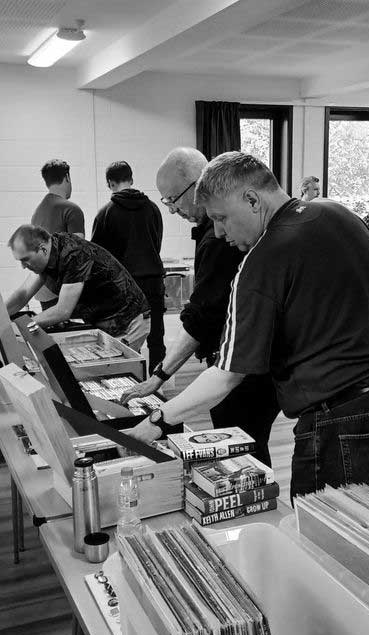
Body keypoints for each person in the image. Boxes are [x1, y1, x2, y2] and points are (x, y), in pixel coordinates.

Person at [126, 152, 369, 499]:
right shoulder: (338, 212)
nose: (219, 233)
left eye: (221, 218)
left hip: (342, 418)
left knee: (320, 543)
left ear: (252, 199)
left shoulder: (262, 260)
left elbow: (227, 375)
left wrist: (157, 420)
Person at [120, 147, 279, 467]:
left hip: (250, 369)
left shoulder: (223, 238)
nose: (171, 209)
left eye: (171, 199)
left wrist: (159, 386)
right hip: (250, 364)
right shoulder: (223, 233)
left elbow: (205, 317)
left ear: (197, 186)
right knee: (246, 445)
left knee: (243, 450)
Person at [5, 225, 149, 350]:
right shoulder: (50, 253)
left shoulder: (73, 255)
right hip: (105, 321)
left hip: (128, 320)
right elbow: (22, 295)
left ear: (42, 249)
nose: (23, 266)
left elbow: (62, 311)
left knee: (120, 373)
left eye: (25, 260)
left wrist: (23, 326)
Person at [91, 161, 165, 373]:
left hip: (124, 288)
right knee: (156, 339)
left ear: (110, 183)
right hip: (153, 283)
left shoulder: (105, 213)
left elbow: (98, 256)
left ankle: (130, 381)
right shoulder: (153, 209)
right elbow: (156, 243)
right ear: (131, 179)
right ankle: (156, 386)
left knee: (126, 340)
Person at [31, 159, 85, 310]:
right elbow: (77, 255)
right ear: (67, 177)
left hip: (42, 289)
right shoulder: (71, 210)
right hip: (61, 293)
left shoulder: (37, 212)